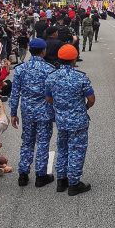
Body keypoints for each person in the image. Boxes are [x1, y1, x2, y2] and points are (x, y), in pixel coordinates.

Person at [45, 44, 94, 195]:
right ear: (74, 59)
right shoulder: (81, 77)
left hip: (61, 119)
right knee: (77, 150)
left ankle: (61, 180)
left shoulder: (51, 77)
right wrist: (84, 108)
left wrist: (61, 107)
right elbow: (91, 99)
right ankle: (74, 183)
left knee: (62, 148)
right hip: (78, 120)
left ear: (59, 59)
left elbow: (48, 98)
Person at [9, 38, 56, 188]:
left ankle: (23, 174)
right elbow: (53, 93)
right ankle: (40, 176)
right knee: (43, 142)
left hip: (27, 111)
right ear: (43, 51)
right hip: (44, 111)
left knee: (27, 141)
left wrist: (13, 113)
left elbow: (15, 93)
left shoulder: (20, 69)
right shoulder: (49, 69)